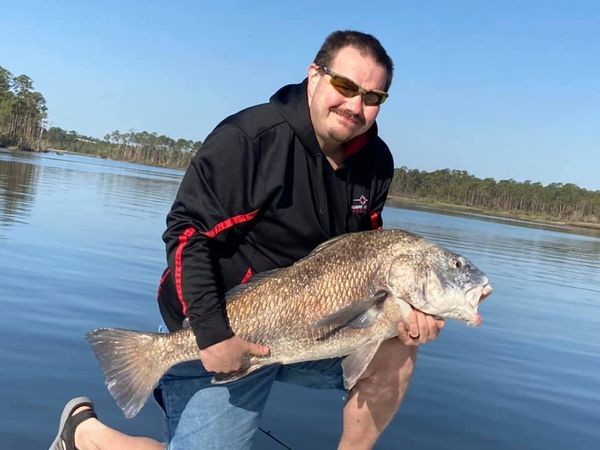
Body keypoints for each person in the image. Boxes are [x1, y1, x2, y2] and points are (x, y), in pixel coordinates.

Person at [49, 30, 444, 450]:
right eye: (345, 86)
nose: (355, 106)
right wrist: (212, 334)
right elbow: (187, 233)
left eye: (372, 97)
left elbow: (368, 251)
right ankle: (88, 437)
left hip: (310, 331)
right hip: (215, 324)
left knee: (397, 343)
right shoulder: (251, 138)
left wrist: (409, 310)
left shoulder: (376, 162)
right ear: (314, 75)